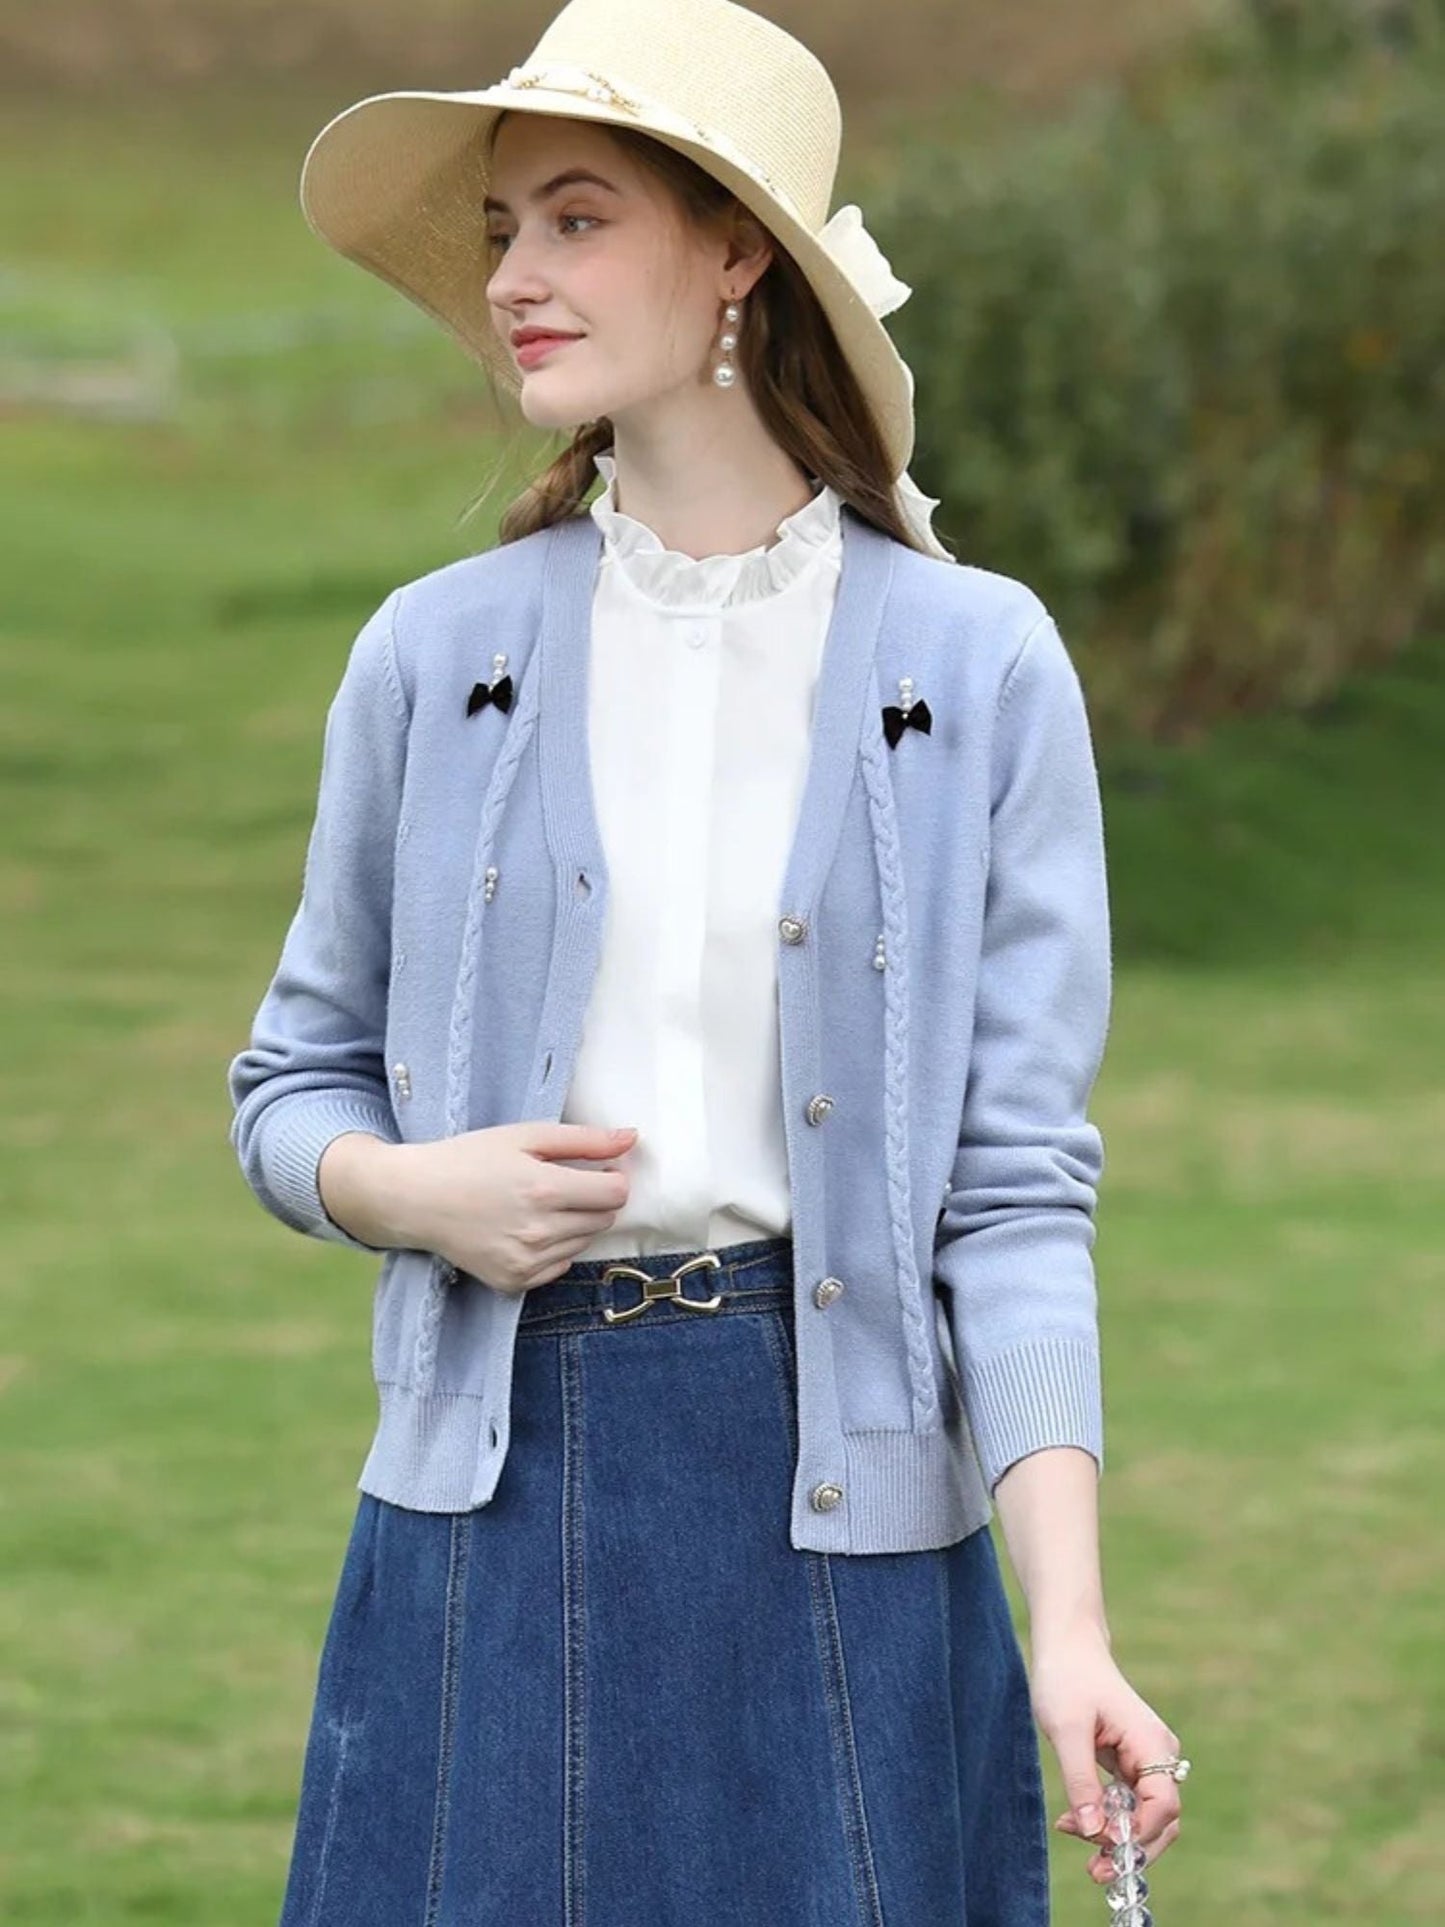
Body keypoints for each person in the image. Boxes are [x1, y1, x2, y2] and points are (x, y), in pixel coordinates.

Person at [227, 0, 1189, 1920]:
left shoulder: (973, 663)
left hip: (840, 1518)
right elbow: (288, 1084)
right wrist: (411, 1188)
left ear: (739, 246)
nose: (513, 277)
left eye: (573, 220)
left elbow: (1009, 1188)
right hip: (484, 1510)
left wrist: (1068, 1626)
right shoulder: (432, 651)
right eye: (503, 231)